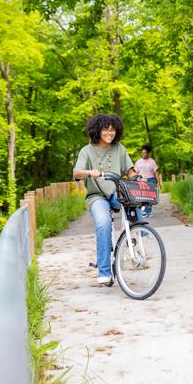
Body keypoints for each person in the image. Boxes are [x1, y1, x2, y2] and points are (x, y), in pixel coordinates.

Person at [73, 113, 141, 285]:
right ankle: (104, 271)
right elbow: (76, 172)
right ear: (98, 130)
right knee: (103, 223)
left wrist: (136, 176)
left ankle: (137, 243)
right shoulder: (86, 151)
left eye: (112, 130)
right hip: (97, 196)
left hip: (116, 191)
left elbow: (130, 170)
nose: (109, 133)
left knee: (136, 204)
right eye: (106, 130)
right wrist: (89, 172)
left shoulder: (119, 148)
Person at [134, 144, 161, 217]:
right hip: (141, 181)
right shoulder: (138, 162)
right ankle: (144, 211)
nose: (143, 154)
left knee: (150, 196)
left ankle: (149, 211)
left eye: (145, 152)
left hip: (151, 180)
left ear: (148, 153)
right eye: (142, 152)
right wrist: (135, 181)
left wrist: (159, 182)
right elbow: (136, 172)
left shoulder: (152, 161)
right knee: (143, 196)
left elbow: (156, 172)